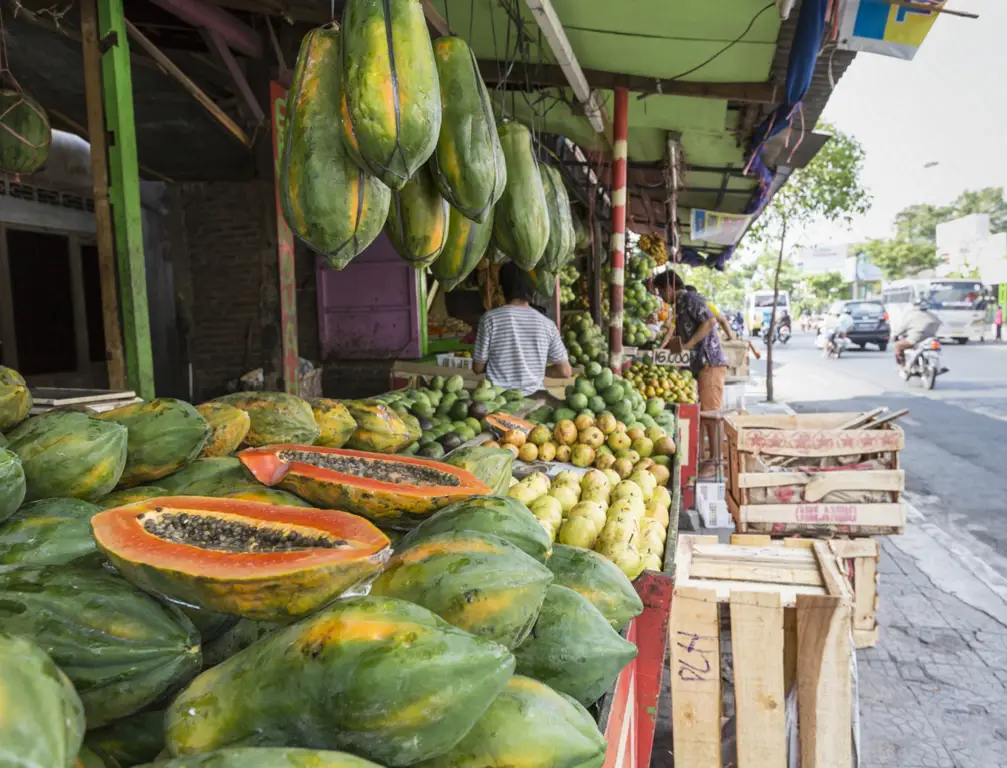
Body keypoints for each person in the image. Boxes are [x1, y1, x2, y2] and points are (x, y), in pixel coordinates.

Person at [654, 271, 729, 475]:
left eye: (660, 290)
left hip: (709, 362)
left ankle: (716, 462)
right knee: (703, 412)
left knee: (711, 413)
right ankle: (708, 459)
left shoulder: (690, 298)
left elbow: (710, 322)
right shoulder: (679, 305)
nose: (661, 295)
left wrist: (688, 345)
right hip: (698, 365)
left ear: (669, 286)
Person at [472, 262, 572, 394]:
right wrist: (538, 369)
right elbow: (565, 371)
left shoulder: (490, 319)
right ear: (533, 290)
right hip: (535, 401)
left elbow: (478, 368)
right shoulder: (547, 324)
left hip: (499, 400)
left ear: (502, 288)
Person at [892, 298, 942, 366]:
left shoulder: (912, 315)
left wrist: (895, 334)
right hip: (930, 339)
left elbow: (903, 327)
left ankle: (903, 365)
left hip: (916, 338)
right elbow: (938, 324)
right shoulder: (933, 315)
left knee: (898, 345)